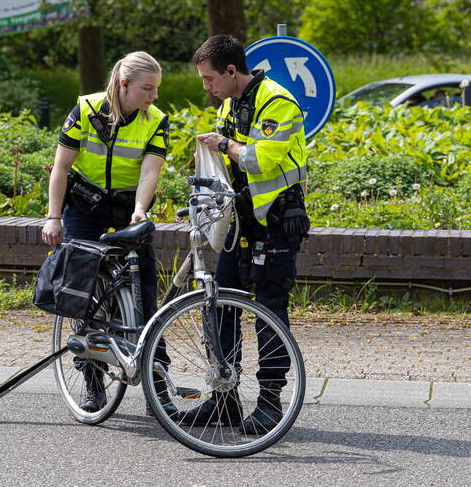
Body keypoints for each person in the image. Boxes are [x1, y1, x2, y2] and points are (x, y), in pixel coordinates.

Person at [182, 34, 311, 435]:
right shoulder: (230, 104)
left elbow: (261, 159)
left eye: (209, 79)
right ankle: (224, 399)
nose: (206, 86)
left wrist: (222, 143)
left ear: (232, 71)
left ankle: (271, 403)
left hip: (275, 222)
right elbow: (228, 165)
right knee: (219, 304)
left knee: (270, 311)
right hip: (240, 222)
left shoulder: (277, 101)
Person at [43, 50, 174, 415]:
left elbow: (150, 172)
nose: (154, 96)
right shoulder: (84, 111)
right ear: (124, 84)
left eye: (156, 89)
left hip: (127, 208)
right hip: (85, 208)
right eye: (147, 89)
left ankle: (156, 387)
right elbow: (61, 166)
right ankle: (92, 382)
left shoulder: (156, 120)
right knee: (83, 293)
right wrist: (54, 217)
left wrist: (140, 211)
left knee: (146, 293)